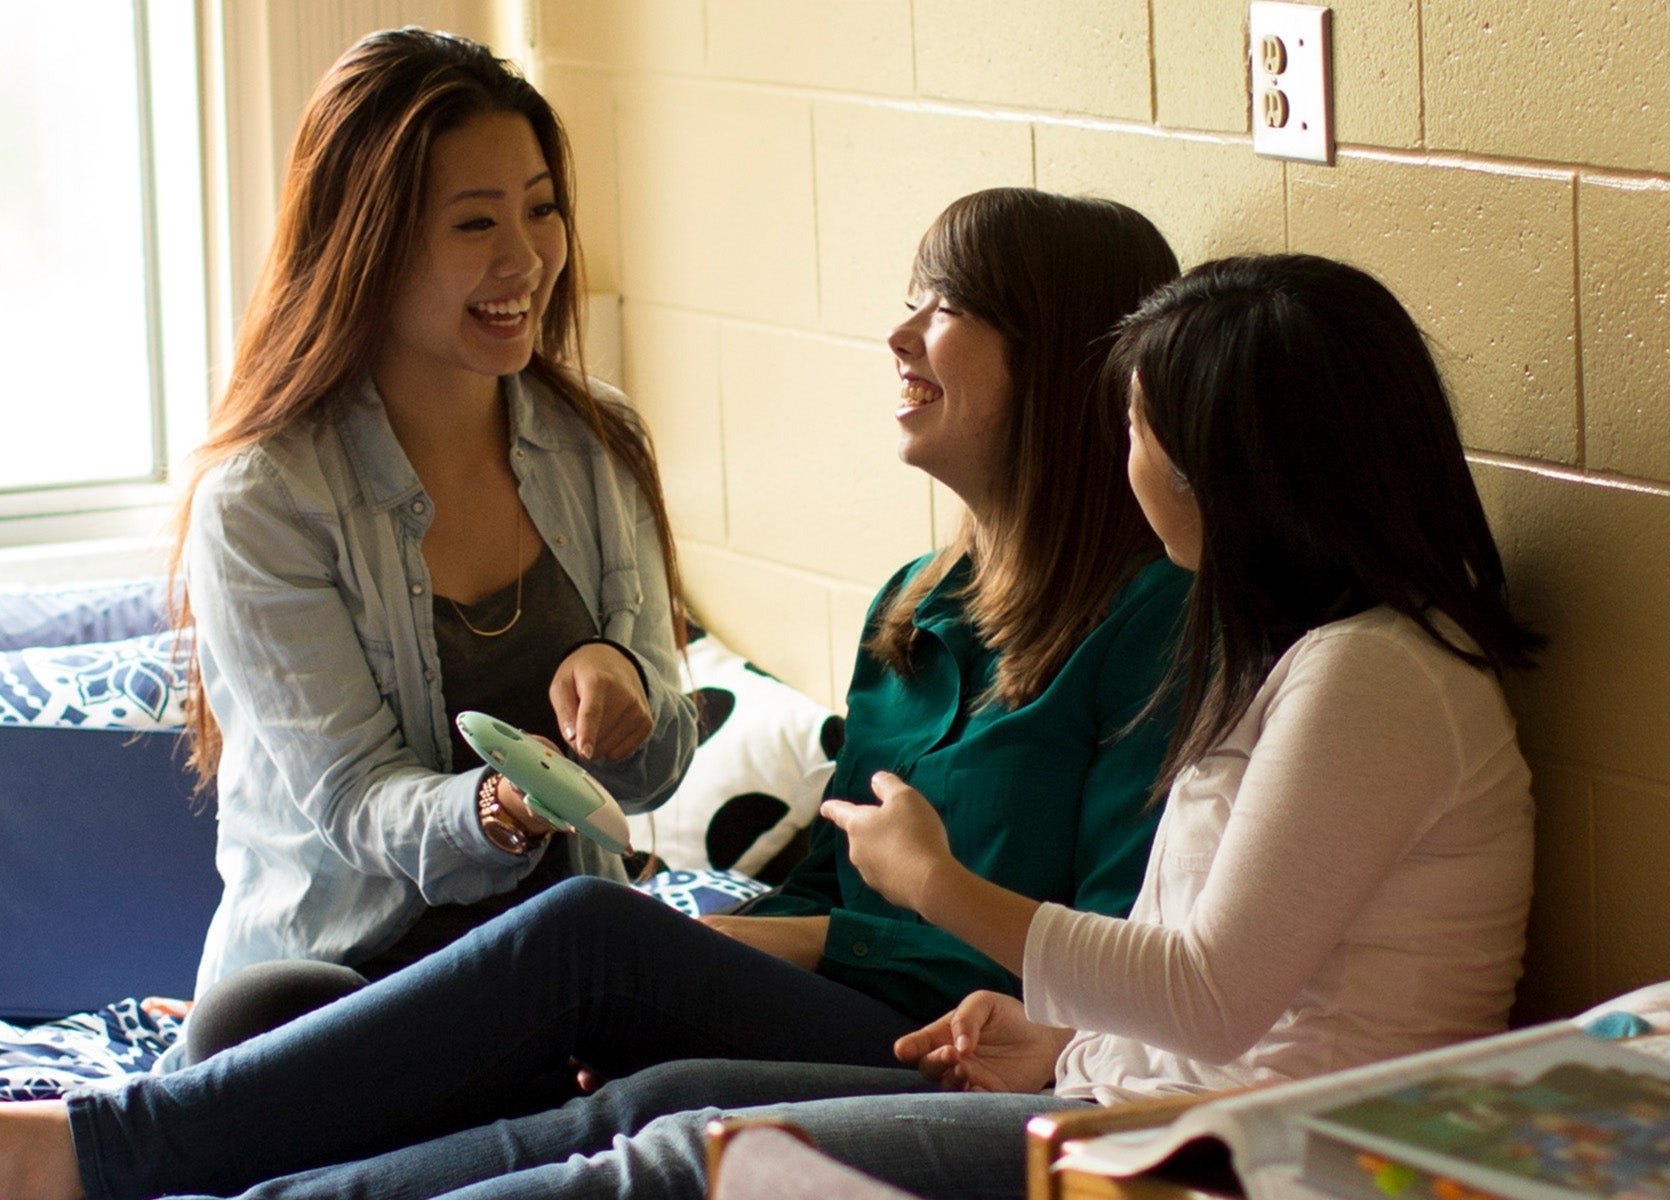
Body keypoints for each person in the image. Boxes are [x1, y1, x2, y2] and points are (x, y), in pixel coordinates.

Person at [0, 253, 1539, 1200]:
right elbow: (1213, 969)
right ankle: (176, 1165)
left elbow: (1211, 1001)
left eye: (1142, 426)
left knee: (691, 1158)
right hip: (1119, 1094)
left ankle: (140, 1163)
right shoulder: (1281, 662)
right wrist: (1053, 1030)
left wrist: (948, 896)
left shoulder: (1372, 679)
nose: (1122, 450)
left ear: (1231, 468)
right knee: (667, 1098)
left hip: (1221, 1155)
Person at [157, 27, 699, 1058]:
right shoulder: (263, 501)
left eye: (542, 209)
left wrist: (625, 686)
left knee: (624, 988)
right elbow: (358, 805)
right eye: (474, 223)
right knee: (267, 1030)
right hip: (347, 979)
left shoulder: (600, 445)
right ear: (369, 242)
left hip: (556, 971)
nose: (526, 259)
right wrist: (502, 809)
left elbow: (658, 766)